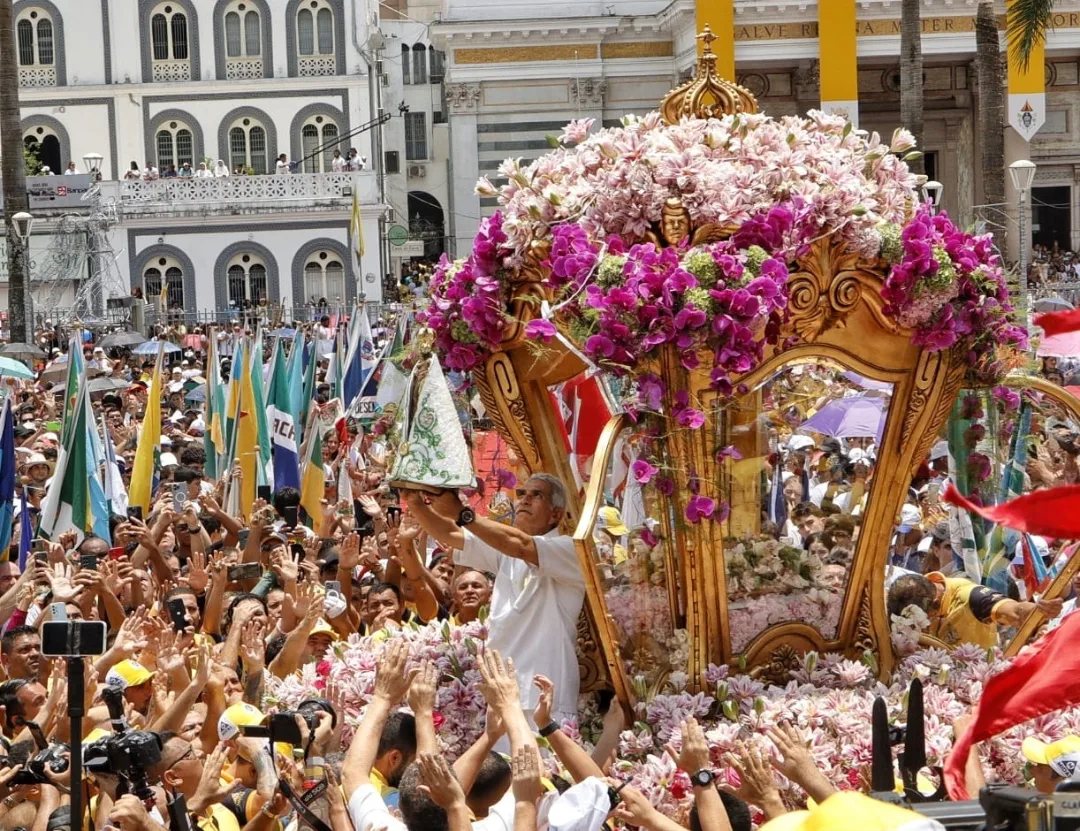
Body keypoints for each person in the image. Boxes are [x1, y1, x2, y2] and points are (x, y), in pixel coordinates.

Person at [406, 473, 585, 723]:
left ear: (556, 514)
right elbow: (451, 535)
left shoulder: (569, 549)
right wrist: (414, 501)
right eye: (522, 494)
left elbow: (520, 545)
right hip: (503, 694)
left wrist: (463, 514)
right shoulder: (505, 552)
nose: (524, 500)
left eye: (537, 495)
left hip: (545, 698)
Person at [887, 571, 1063, 647]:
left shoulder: (973, 597)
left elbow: (1015, 610)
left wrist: (1038, 610)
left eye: (918, 623)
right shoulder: (910, 596)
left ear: (935, 604)